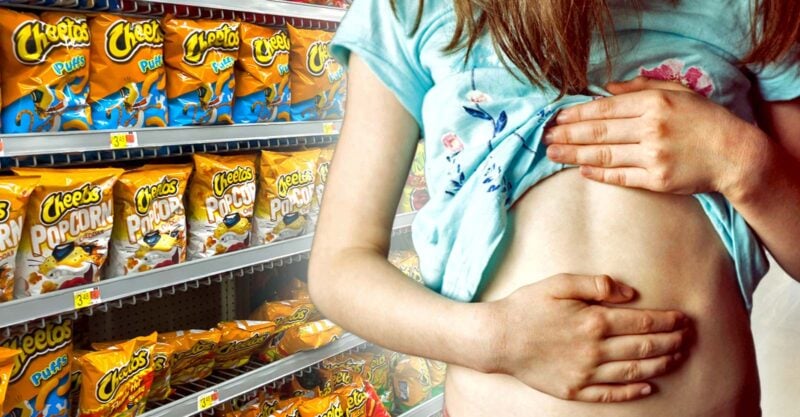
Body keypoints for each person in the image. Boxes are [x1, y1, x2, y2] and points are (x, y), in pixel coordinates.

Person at [308, 0, 800, 415]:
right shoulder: (410, 9)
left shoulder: (756, 8)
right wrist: (494, 340)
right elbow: (340, 266)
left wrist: (743, 163)